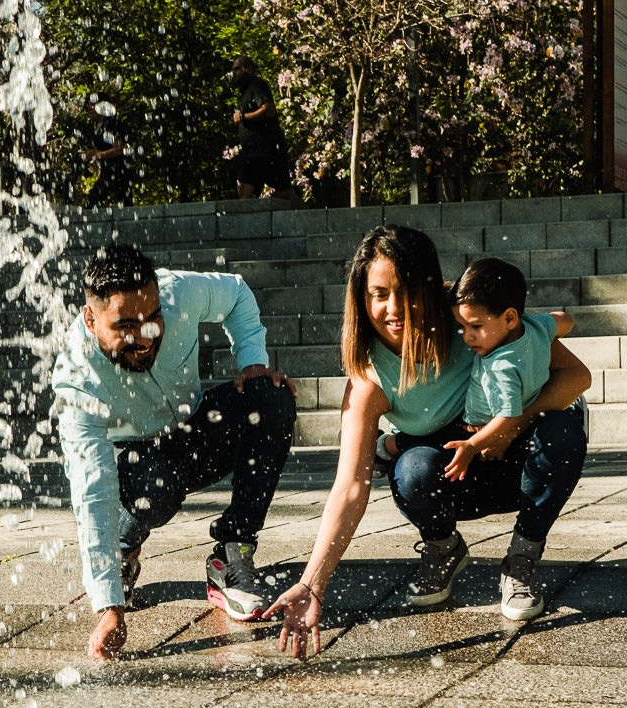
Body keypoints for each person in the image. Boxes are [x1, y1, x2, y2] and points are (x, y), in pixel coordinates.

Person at [263, 226, 592, 656]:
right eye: (379, 294)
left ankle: (522, 558)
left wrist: (515, 422)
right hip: (458, 469)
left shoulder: (467, 315)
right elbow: (350, 487)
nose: (393, 308)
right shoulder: (369, 378)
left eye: (406, 291)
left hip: (521, 453)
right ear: (361, 298)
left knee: (562, 430)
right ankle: (444, 548)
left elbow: (577, 376)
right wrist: (313, 583)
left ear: (431, 287)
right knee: (412, 470)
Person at [53, 245, 297, 661]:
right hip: (134, 462)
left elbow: (237, 293)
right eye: (126, 325)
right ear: (90, 319)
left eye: (152, 318)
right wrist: (109, 608)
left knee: (270, 397)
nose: (145, 336)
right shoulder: (77, 381)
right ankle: (123, 545)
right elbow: (92, 494)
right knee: (155, 485)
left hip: (194, 430)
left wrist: (253, 362)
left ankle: (232, 554)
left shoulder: (177, 292)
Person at [440, 258, 575, 621]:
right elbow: (565, 319)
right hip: (511, 433)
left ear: (510, 318)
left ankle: (519, 561)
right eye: (462, 326)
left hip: (484, 434)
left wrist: (471, 446)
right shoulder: (535, 327)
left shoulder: (502, 364)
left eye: (476, 327)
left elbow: (508, 416)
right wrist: (556, 325)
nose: (467, 337)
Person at [228, 57, 296, 204]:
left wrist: (243, 117)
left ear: (248, 69)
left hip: (269, 151)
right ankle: (249, 225)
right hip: (252, 153)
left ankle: (309, 222)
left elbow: (269, 110)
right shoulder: (244, 92)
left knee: (284, 192)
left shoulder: (257, 85)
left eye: (237, 69)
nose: (233, 73)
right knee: (244, 189)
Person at [76, 99, 130, 208]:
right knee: (123, 202)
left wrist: (99, 155)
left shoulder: (110, 125)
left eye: (92, 105)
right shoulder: (97, 126)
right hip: (107, 170)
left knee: (94, 199)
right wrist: (90, 153)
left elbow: (119, 148)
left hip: (117, 171)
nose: (89, 109)